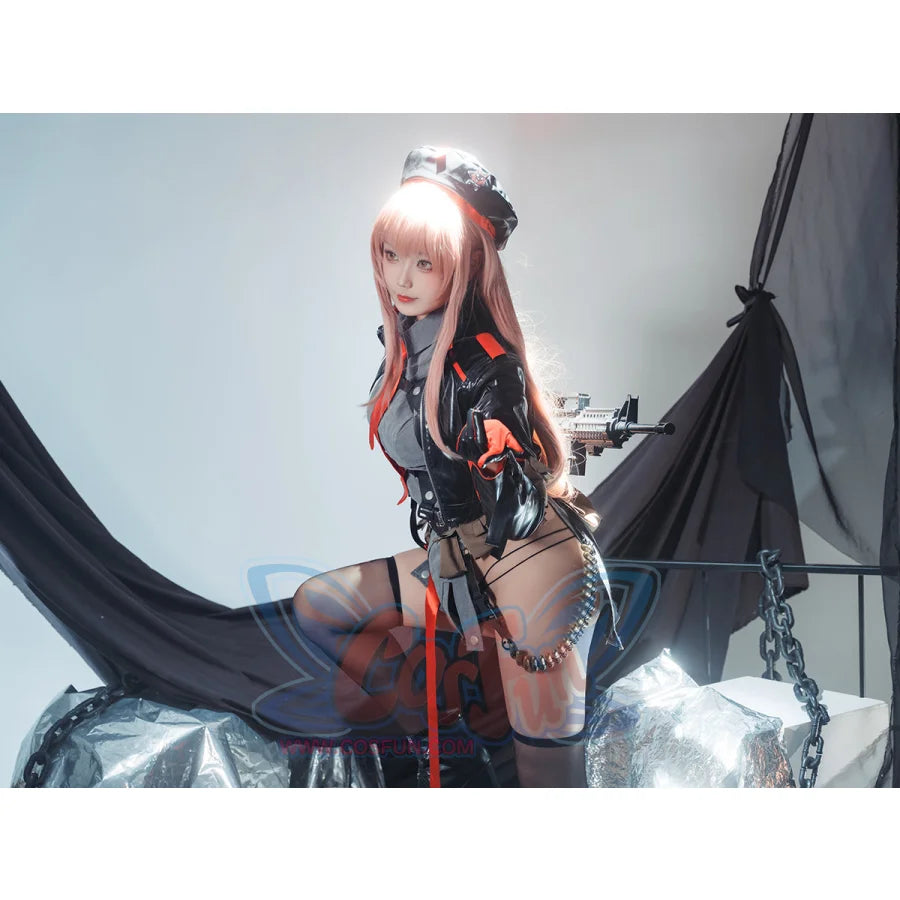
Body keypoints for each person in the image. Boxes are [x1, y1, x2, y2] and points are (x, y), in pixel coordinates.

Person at [292, 146, 620, 787]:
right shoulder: (409, 345)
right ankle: (445, 732)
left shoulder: (485, 362)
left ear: (466, 262)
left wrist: (500, 456)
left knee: (547, 780)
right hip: (460, 559)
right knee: (319, 606)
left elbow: (516, 508)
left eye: (425, 261)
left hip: (530, 566)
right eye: (391, 255)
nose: (401, 277)